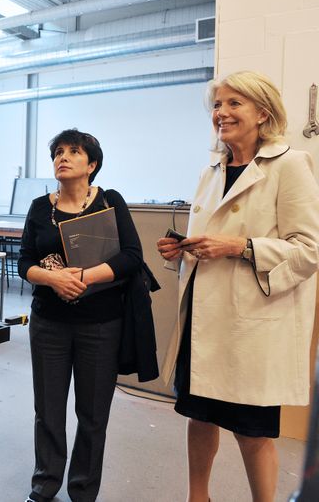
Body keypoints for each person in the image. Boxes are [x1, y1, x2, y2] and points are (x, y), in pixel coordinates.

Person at [156, 70, 319, 502]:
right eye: (217, 105)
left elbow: (309, 250)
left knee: (252, 430)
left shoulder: (290, 165)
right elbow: (208, 240)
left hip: (253, 324)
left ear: (262, 113)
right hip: (204, 320)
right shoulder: (211, 170)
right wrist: (182, 250)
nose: (221, 113)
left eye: (234, 103)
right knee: (199, 417)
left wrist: (241, 247)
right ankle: (198, 497)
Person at [18, 129, 144, 502]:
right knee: (48, 409)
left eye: (74, 151)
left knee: (93, 415)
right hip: (49, 323)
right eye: (58, 151)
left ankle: (84, 490)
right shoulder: (39, 208)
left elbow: (132, 256)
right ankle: (45, 482)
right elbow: (24, 261)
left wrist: (84, 278)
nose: (63, 156)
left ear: (92, 164)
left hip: (101, 325)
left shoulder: (109, 201)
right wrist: (53, 279)